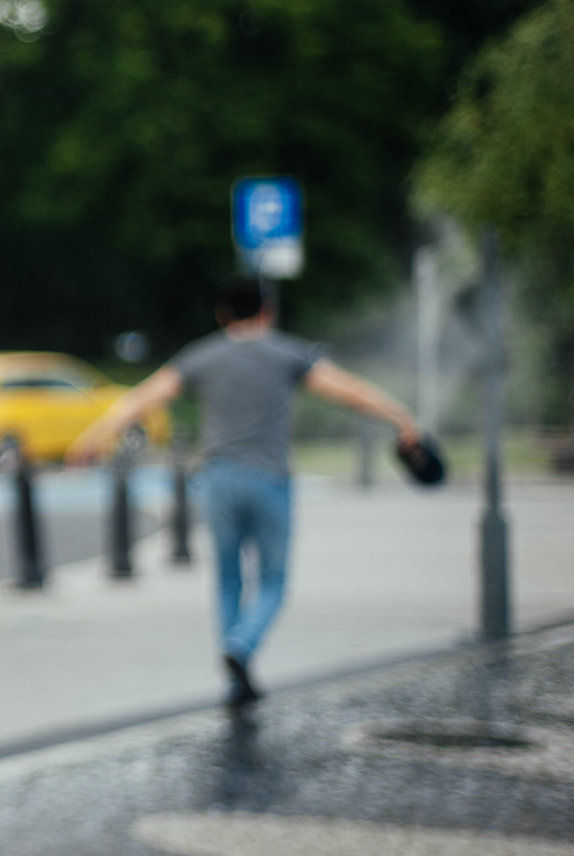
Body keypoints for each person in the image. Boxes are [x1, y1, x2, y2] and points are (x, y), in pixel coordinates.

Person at [69, 279, 420, 708]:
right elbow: (352, 392)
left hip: (218, 480)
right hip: (269, 479)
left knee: (228, 580)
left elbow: (143, 397)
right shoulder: (287, 353)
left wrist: (93, 435)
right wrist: (402, 419)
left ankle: (235, 674)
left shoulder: (202, 355)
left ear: (223, 315)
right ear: (267, 312)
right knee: (272, 581)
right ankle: (242, 645)